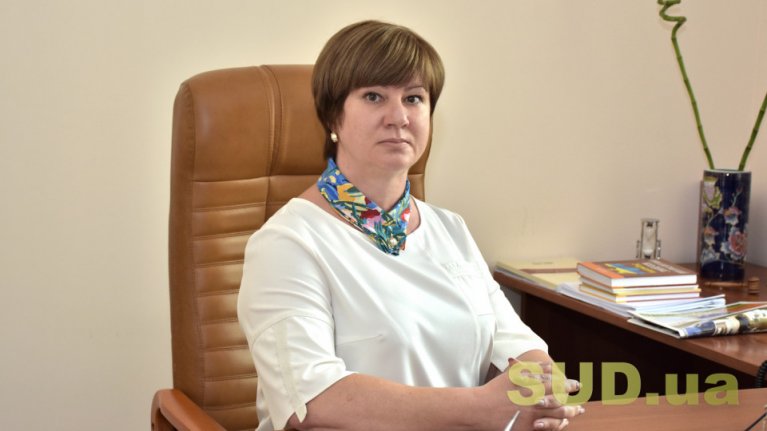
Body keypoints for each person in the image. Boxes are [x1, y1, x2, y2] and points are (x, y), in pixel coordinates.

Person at [238, 20, 585, 431]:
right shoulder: (287, 243)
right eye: (374, 96)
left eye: (414, 98)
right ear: (333, 116)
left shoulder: (449, 228)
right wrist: (482, 408)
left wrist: (541, 394)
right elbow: (312, 401)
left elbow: (514, 342)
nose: (399, 117)